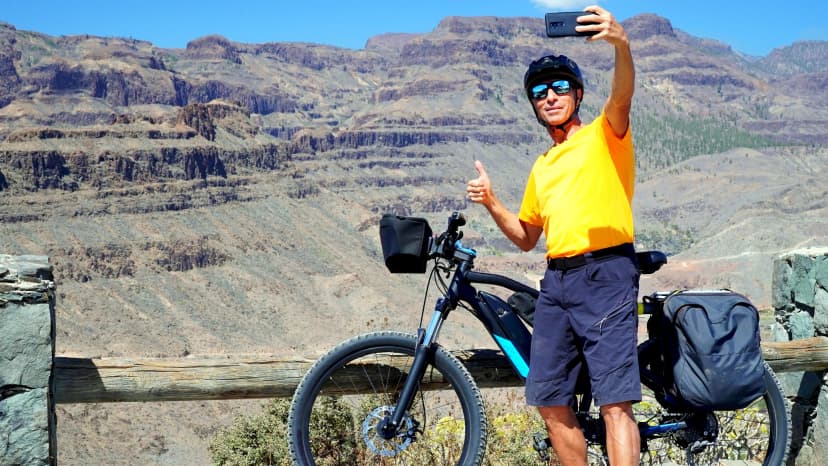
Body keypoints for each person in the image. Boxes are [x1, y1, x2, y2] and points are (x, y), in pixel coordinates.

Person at [466, 5, 640, 466]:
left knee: (614, 404)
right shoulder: (541, 167)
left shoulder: (604, 135)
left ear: (577, 94)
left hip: (606, 273)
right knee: (548, 400)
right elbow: (526, 237)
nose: (549, 97)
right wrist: (491, 202)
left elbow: (622, 97)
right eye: (539, 92)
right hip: (557, 283)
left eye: (560, 87)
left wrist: (621, 45)